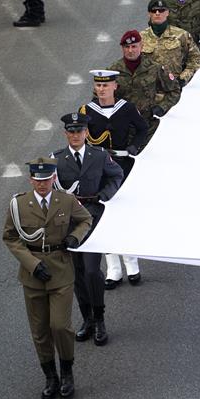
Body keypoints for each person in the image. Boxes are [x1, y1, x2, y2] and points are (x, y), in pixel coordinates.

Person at [2, 157, 93, 399]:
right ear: (31, 179)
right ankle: (50, 377)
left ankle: (67, 372)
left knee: (60, 326)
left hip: (61, 271)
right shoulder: (19, 204)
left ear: (53, 178)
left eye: (46, 179)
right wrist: (32, 263)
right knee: (40, 330)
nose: (42, 184)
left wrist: (75, 237)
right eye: (37, 180)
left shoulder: (66, 200)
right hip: (33, 274)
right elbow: (10, 237)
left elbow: (85, 219)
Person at [52, 113, 124, 346]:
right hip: (69, 223)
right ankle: (88, 319)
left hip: (93, 218)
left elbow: (117, 175)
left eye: (79, 131)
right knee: (77, 274)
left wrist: (105, 195)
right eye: (71, 132)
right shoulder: (57, 159)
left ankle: (100, 319)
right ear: (66, 134)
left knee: (92, 271)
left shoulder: (100, 155)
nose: (75, 135)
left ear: (86, 133)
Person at [80, 70, 148, 289]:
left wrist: (133, 146)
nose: (101, 89)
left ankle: (131, 261)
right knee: (103, 214)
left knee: (124, 212)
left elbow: (142, 128)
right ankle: (113, 267)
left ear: (115, 86)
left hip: (122, 165)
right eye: (98, 86)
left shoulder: (126, 108)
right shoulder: (87, 111)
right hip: (98, 168)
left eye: (106, 85)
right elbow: (80, 139)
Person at [108, 29, 182, 144]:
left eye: (134, 46)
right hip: (120, 126)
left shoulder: (154, 68)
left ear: (141, 46)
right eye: (127, 47)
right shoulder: (112, 71)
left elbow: (174, 89)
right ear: (122, 49)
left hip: (147, 125)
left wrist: (162, 107)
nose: (130, 50)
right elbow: (98, 96)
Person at [140, 0, 200, 87]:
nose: (157, 13)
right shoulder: (140, 37)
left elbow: (196, 59)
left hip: (174, 87)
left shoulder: (181, 35)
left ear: (167, 13)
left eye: (161, 10)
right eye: (154, 11)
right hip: (148, 88)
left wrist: (183, 78)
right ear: (149, 14)